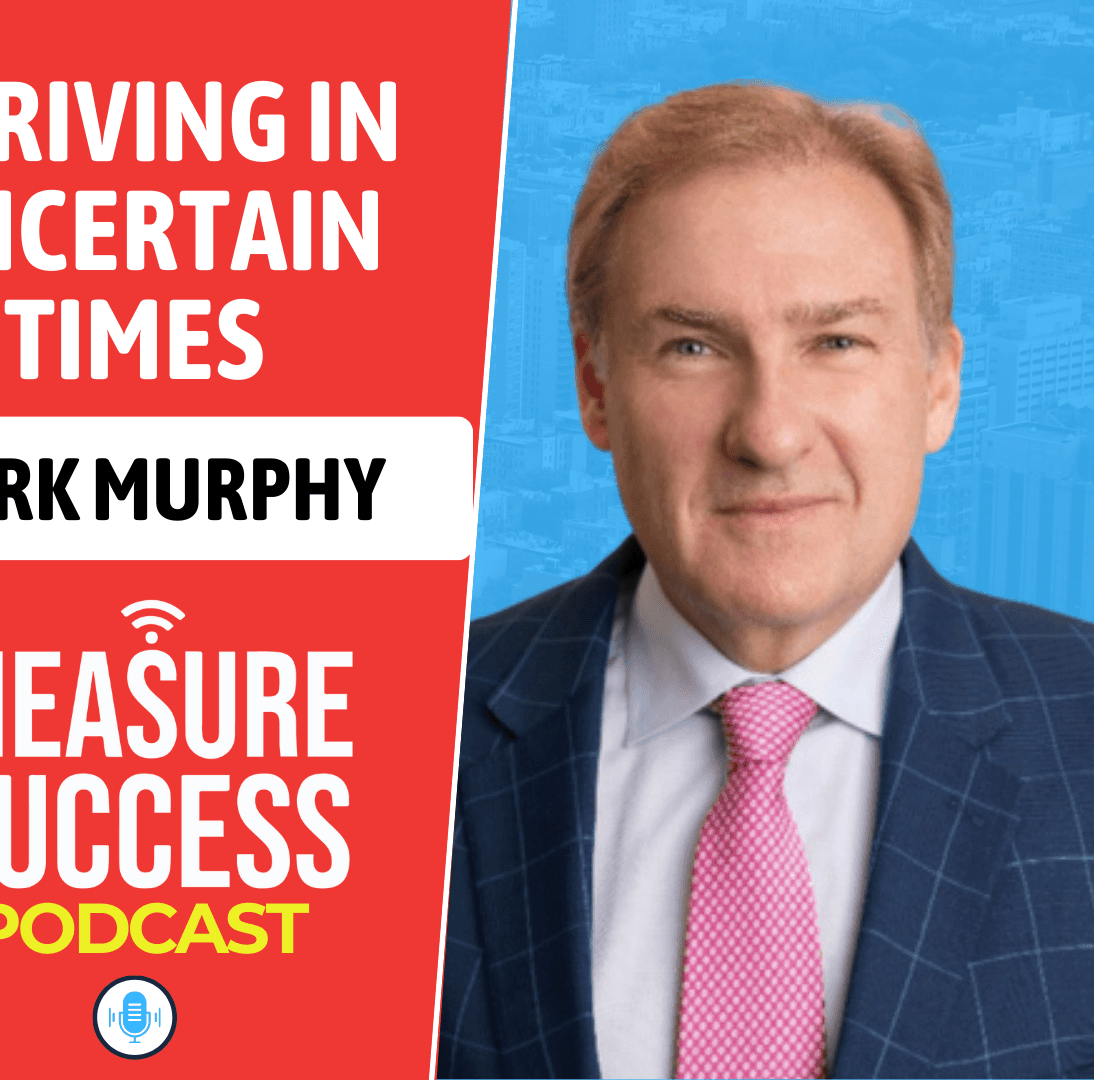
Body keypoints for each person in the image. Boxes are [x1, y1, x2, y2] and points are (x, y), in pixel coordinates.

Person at [439, 82, 1094, 1079]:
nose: (770, 432)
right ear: (596, 389)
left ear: (938, 387)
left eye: (836, 342)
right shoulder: (396, 746)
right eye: (693, 348)